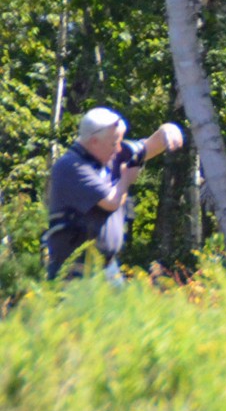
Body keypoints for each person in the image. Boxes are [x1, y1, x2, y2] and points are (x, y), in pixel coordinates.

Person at [43, 108, 183, 281]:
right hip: (74, 272)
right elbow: (111, 202)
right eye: (114, 143)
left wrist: (167, 131)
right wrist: (126, 179)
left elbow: (147, 147)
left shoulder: (107, 153)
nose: (118, 149)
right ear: (94, 141)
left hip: (107, 267)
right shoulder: (71, 166)